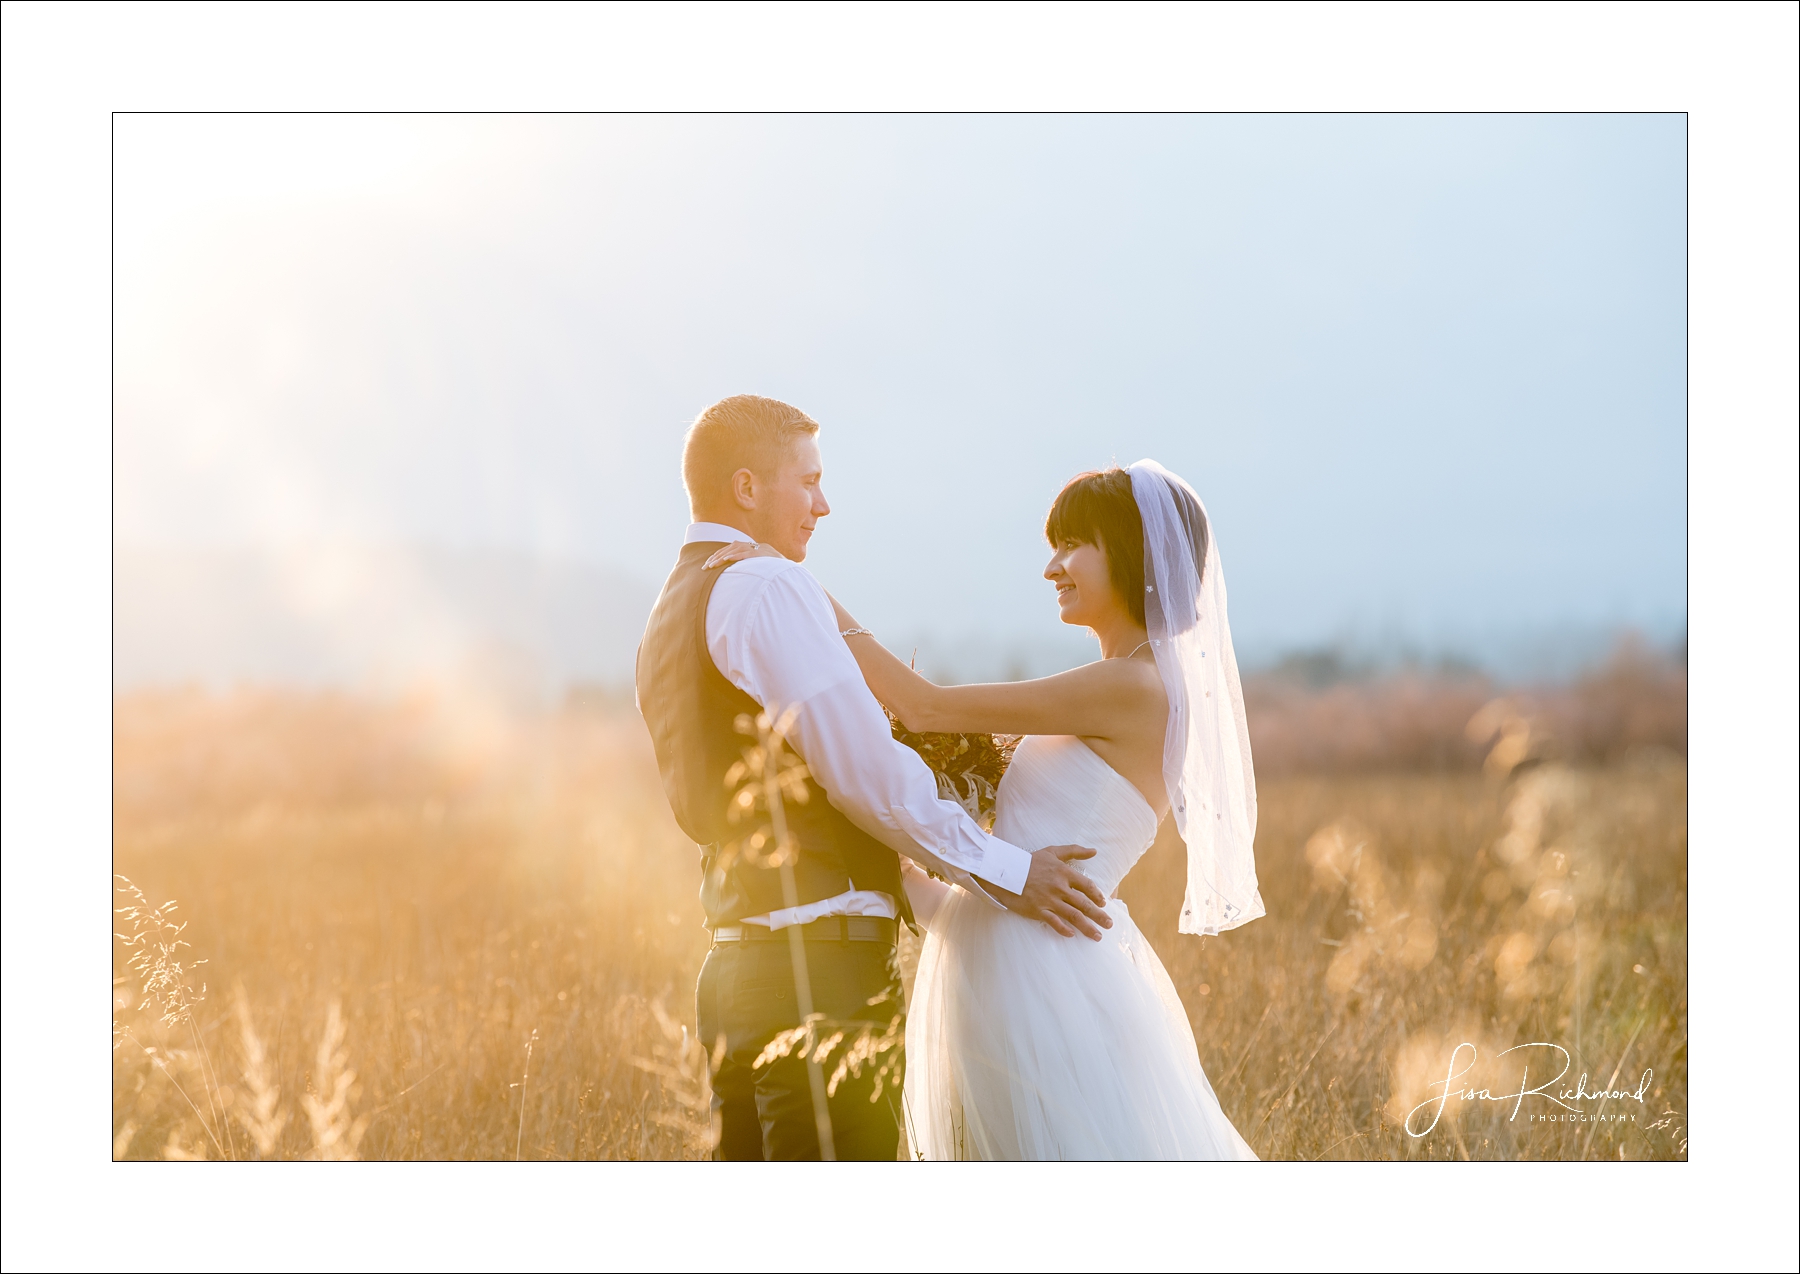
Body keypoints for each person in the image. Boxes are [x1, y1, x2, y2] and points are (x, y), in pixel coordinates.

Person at [708, 460, 1263, 1158]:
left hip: (1045, 980)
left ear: (1131, 554)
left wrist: (797, 586)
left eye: (1073, 546)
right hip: (1013, 958)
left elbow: (922, 705)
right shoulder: (1126, 683)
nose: (1051, 567)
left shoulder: (1132, 687)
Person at [634, 394, 1111, 1161]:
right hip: (818, 975)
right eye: (808, 481)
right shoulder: (767, 585)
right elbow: (863, 769)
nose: (824, 504)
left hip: (732, 972)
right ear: (748, 487)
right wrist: (1007, 871)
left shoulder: (670, 609)